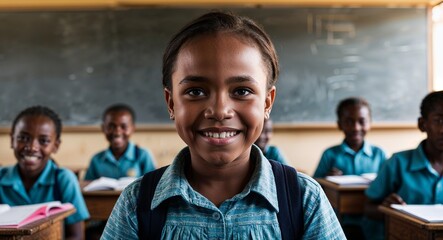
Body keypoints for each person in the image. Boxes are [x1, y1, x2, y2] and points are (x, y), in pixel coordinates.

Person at [101, 11, 345, 239]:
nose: (219, 111)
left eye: (242, 91)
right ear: (171, 102)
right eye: (195, 91)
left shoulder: (303, 199)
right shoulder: (137, 203)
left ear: (267, 102)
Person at [0, 106, 89, 240]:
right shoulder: (1, 177)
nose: (31, 147)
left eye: (44, 141)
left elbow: (76, 235)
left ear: (56, 145)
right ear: (12, 139)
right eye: (23, 138)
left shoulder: (64, 179)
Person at [364, 90, 443, 240]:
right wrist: (387, 209)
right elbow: (368, 208)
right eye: (439, 121)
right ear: (422, 124)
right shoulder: (398, 162)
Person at [313, 97, 387, 178]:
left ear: (370, 123)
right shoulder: (329, 154)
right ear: (339, 124)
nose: (356, 128)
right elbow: (314, 186)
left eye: (362, 121)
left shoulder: (379, 154)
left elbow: (390, 183)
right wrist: (326, 179)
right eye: (349, 122)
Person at [84, 103, 156, 180]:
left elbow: (154, 186)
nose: (117, 132)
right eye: (111, 126)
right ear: (103, 128)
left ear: (132, 128)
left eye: (123, 127)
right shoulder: (96, 160)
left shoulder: (143, 156)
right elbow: (87, 187)